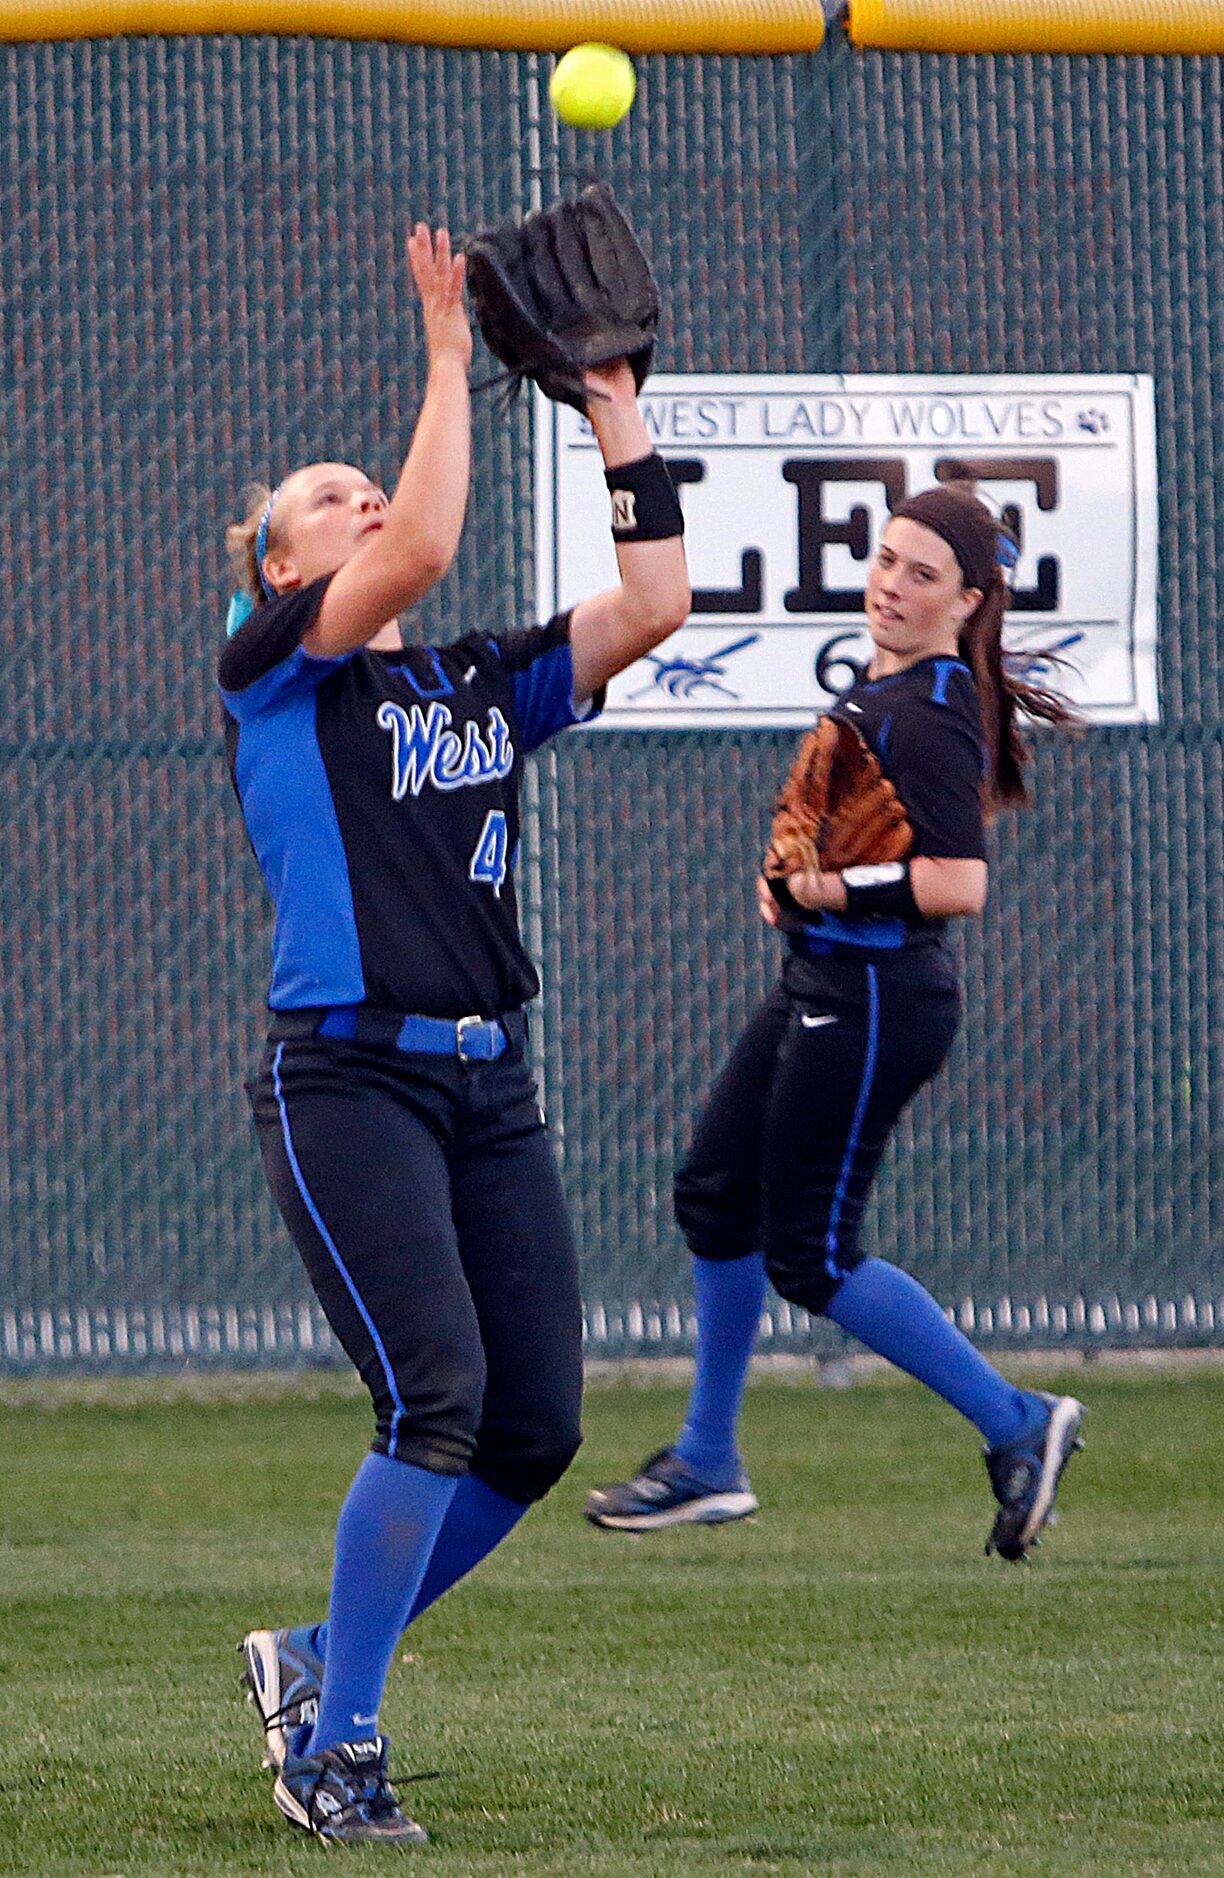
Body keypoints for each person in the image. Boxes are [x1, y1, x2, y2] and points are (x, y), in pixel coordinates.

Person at [219, 222, 690, 1845]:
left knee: (536, 1421)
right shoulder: (276, 673)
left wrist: (615, 407)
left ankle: (312, 1660)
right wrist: (441, 352)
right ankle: (334, 1745)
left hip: (490, 1085)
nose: (359, 505)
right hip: (344, 1078)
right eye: (323, 504)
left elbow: (654, 599)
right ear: (282, 571)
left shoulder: (478, 686)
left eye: (362, 483)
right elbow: (416, 547)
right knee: (434, 1391)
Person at [585, 482, 1085, 1561]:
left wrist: (830, 892)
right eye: (888, 560)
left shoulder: (936, 709)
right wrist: (798, 883)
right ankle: (707, 1460)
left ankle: (1018, 1422)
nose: (893, 586)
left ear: (968, 600)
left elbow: (956, 883)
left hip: (876, 998)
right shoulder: (895, 689)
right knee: (716, 1194)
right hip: (824, 985)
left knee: (809, 1254)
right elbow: (860, 838)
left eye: (922, 574)